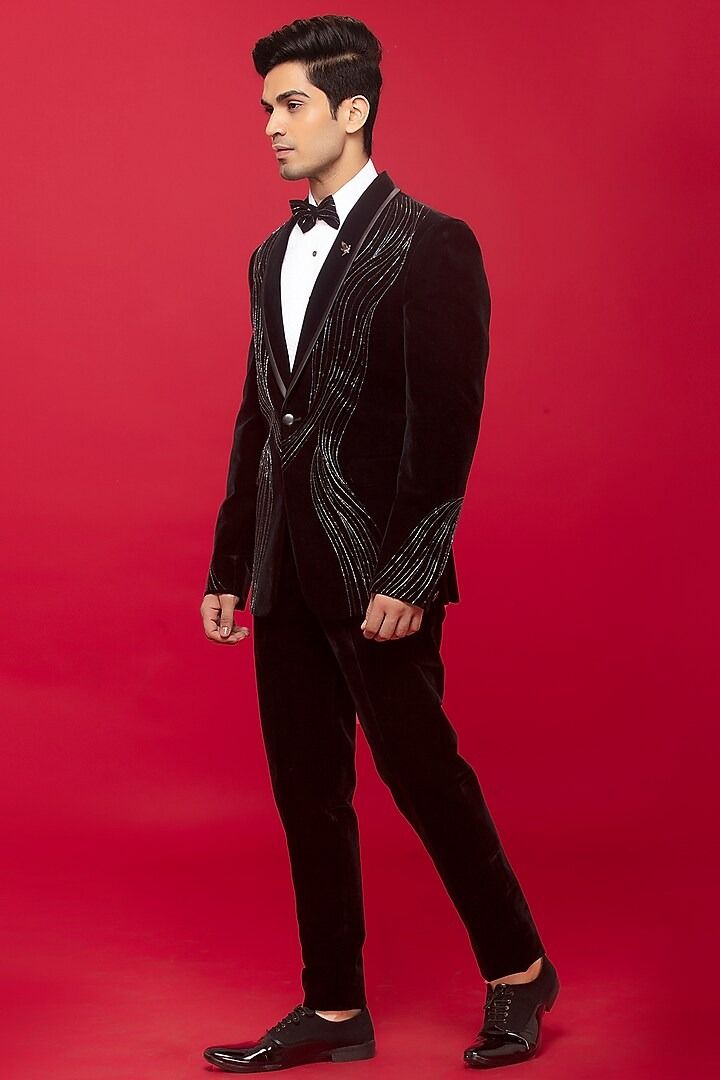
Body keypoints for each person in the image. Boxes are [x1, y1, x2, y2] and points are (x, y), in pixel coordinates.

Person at [199, 13, 559, 1072]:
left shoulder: (434, 243)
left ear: (353, 110)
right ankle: (334, 1008)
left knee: (423, 776)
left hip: (377, 578)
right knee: (306, 793)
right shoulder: (270, 255)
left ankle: (521, 971)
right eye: (265, 107)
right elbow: (258, 417)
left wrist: (410, 569)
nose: (271, 124)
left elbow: (448, 425)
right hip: (282, 570)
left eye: (292, 103)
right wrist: (230, 563)